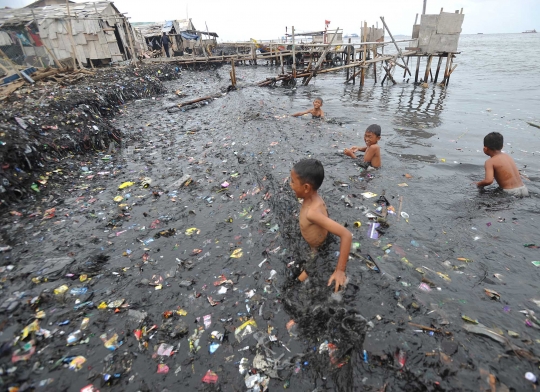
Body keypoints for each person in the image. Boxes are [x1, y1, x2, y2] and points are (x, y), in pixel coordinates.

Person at [289, 159, 353, 292]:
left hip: (318, 252)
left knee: (295, 285)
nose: (290, 185)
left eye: (293, 182)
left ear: (306, 188)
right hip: (322, 242)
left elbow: (346, 235)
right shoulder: (313, 198)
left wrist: (340, 270)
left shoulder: (312, 213)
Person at [475, 132, 529, 196]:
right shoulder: (508, 157)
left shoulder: (490, 162)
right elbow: (518, 173)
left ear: (485, 149)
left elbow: (488, 181)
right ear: (502, 146)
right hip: (524, 189)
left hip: (509, 192)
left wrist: (478, 184)